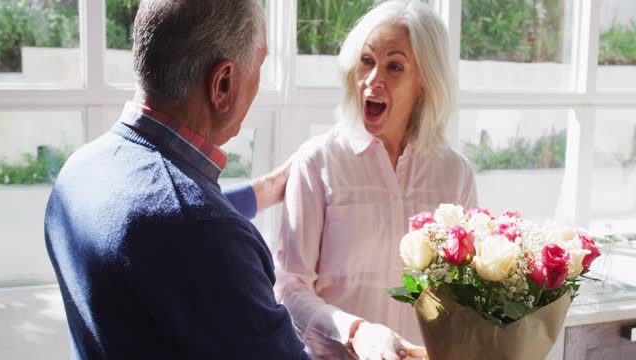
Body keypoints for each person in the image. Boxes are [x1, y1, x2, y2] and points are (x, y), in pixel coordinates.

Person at [45, 0, 309, 358]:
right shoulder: (204, 232)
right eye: (260, 65)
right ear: (223, 83)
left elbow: (158, 225)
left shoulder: (77, 173)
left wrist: (265, 190)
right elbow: (187, 226)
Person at [274, 1, 478, 359]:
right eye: (367, 61)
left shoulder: (456, 173)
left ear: (424, 85)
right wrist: (355, 332)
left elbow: (466, 292)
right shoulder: (317, 161)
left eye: (394, 66)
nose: (372, 79)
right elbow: (290, 287)